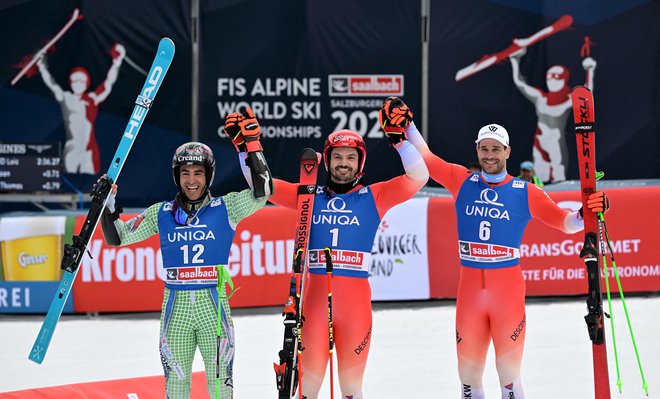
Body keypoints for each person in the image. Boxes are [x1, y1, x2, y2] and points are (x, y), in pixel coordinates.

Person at [390, 97, 610, 399]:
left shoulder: (525, 191)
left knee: (509, 380)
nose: (490, 154)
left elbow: (566, 222)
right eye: (484, 148)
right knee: (468, 381)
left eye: (496, 149)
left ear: (507, 151)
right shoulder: (461, 180)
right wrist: (407, 126)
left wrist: (587, 213)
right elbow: (426, 157)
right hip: (469, 295)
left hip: (506, 293)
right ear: (477, 150)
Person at [99, 108, 273, 399]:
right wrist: (108, 202)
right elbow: (117, 238)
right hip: (175, 310)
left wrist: (250, 146)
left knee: (220, 387)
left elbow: (263, 191)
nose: (192, 181)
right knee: (177, 388)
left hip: (213, 309)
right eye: (185, 173)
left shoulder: (226, 208)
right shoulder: (161, 213)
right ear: (176, 176)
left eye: (198, 173)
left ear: (209, 175)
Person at [268, 98, 428, 399]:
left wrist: (400, 141)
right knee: (307, 390)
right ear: (326, 161)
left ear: (360, 162)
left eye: (350, 157)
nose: (343, 163)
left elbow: (419, 177)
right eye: (337, 156)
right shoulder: (308, 195)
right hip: (313, 307)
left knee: (352, 391)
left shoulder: (374, 196)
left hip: (355, 308)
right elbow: (261, 186)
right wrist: (247, 149)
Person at [509, 46, 596, 183]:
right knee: (539, 178)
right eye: (549, 77)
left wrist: (590, 71)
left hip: (555, 140)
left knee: (558, 175)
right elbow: (519, 83)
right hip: (539, 140)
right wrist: (514, 61)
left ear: (564, 79)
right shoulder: (540, 98)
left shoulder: (568, 99)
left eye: (556, 77)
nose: (552, 80)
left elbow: (586, 93)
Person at [37, 43, 125, 174]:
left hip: (88, 151)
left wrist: (117, 63)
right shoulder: (66, 97)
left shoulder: (92, 99)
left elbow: (108, 83)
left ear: (87, 83)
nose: (78, 84)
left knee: (89, 186)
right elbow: (52, 84)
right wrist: (42, 67)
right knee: (68, 182)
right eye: (75, 80)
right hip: (71, 149)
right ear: (70, 82)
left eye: (81, 81)